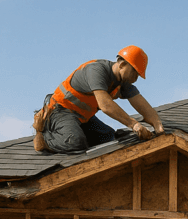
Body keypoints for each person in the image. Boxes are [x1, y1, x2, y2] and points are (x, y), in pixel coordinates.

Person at [33, 45, 164, 153]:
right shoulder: (97, 71)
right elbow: (105, 105)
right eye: (135, 72)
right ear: (122, 64)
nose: (136, 78)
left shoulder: (122, 82)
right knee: (75, 142)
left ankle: (72, 133)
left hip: (82, 117)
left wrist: (158, 127)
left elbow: (140, 102)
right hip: (60, 111)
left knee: (108, 137)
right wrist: (134, 124)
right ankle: (43, 139)